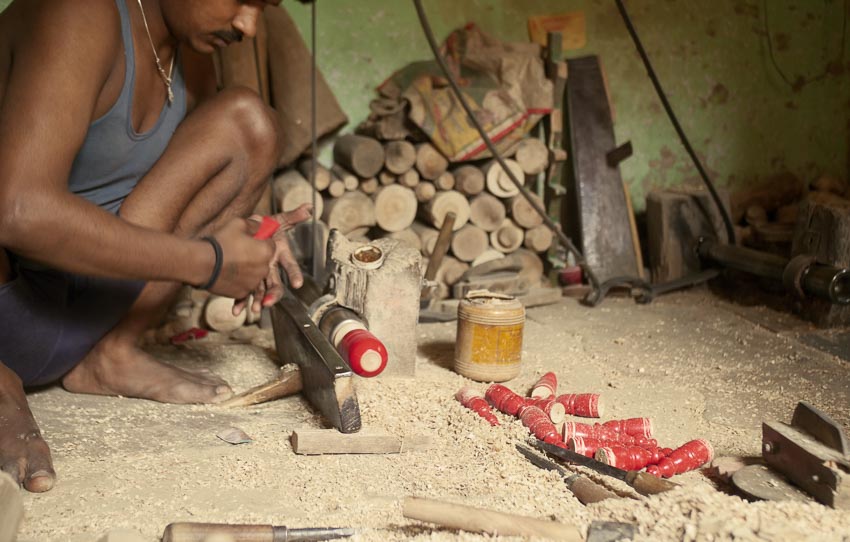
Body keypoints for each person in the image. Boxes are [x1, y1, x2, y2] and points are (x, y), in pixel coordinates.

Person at [0, 0, 310, 493]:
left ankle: (109, 354)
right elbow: (17, 211)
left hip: (78, 318)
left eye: (263, 7)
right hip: (9, 308)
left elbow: (176, 196)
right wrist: (205, 262)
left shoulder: (192, 49)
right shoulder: (79, 13)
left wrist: (246, 239)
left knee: (250, 124)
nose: (248, 25)